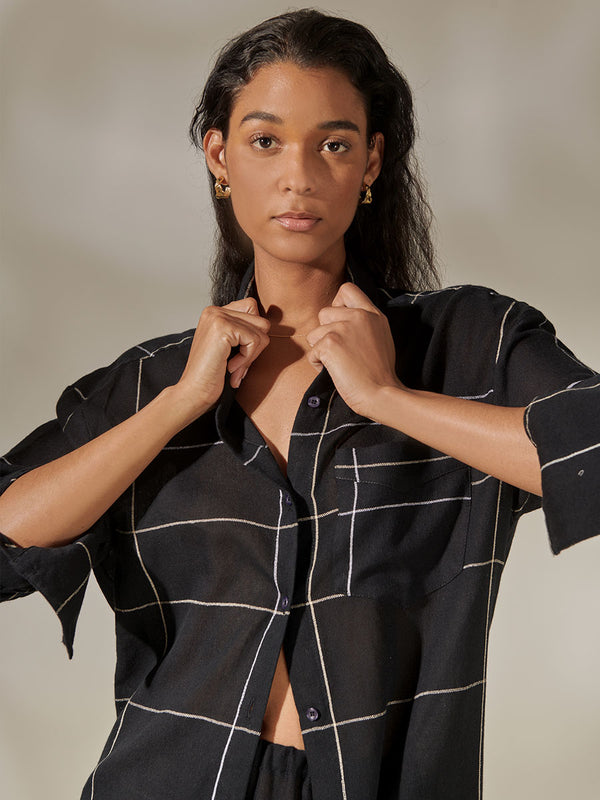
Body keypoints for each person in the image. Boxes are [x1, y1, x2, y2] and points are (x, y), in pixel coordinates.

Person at [1, 8, 599, 800]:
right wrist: (180, 403)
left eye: (335, 143)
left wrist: (389, 397)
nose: (300, 176)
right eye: (265, 140)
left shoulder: (470, 344)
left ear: (372, 160)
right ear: (219, 154)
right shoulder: (145, 385)